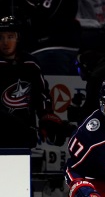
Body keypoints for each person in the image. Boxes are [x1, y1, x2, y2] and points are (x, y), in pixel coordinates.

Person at [0, 16, 66, 149]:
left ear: (18, 38)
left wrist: (47, 118)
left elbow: (41, 95)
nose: (5, 42)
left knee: (19, 167)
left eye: (10, 37)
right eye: (1, 37)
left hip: (23, 133)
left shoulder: (31, 64)